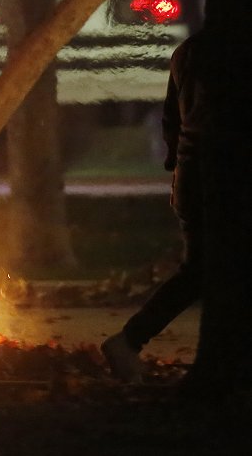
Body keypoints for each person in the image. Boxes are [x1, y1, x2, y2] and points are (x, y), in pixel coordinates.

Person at [101, 30, 208, 382]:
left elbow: (170, 122)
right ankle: (129, 340)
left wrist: (176, 163)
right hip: (222, 180)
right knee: (204, 272)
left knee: (202, 270)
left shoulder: (189, 52)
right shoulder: (233, 52)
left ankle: (129, 341)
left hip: (193, 177)